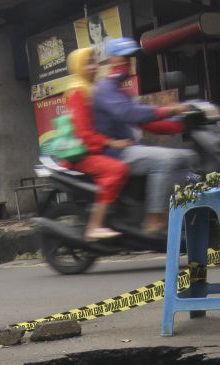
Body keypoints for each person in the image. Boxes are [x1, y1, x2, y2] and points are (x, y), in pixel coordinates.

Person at [92, 37, 192, 235]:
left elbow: (146, 121)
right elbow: (128, 113)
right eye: (124, 57)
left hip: (131, 149)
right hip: (116, 153)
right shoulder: (105, 89)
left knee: (187, 157)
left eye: (131, 58)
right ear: (112, 60)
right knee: (167, 160)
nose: (128, 62)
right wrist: (169, 110)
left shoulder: (121, 92)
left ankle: (175, 208)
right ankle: (154, 218)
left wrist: (183, 124)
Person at [64, 47, 130, 240]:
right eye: (87, 63)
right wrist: (112, 142)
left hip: (93, 149)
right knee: (116, 169)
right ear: (77, 67)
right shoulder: (78, 91)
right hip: (82, 153)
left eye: (94, 62)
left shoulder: (91, 89)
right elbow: (84, 133)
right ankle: (95, 225)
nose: (93, 67)